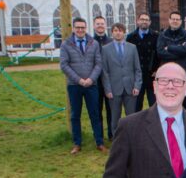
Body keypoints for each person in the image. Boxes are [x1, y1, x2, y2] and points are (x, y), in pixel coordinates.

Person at [60, 17, 106, 155]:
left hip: (91, 85)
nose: (80, 30)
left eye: (82, 27)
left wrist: (91, 79)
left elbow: (99, 63)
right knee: (75, 115)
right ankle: (77, 143)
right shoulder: (66, 44)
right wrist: (79, 80)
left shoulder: (94, 43)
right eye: (77, 27)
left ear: (86, 28)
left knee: (95, 114)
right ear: (73, 29)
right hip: (74, 85)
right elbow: (64, 65)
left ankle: (99, 142)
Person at [101, 22, 142, 135]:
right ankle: (116, 140)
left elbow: (137, 69)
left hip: (130, 88)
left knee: (132, 117)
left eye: (120, 31)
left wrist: (137, 86)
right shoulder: (105, 49)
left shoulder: (132, 48)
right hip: (114, 90)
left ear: (124, 32)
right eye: (115, 30)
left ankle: (132, 139)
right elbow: (105, 72)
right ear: (112, 32)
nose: (118, 33)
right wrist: (108, 89)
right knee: (115, 117)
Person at [156, 11, 186, 110]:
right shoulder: (163, 35)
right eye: (173, 19)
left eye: (177, 19)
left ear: (181, 21)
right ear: (169, 20)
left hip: (183, 73)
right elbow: (160, 52)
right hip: (166, 74)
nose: (175, 21)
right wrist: (179, 49)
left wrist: (169, 48)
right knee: (165, 100)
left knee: (184, 101)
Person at [127, 12, 158, 110]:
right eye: (142, 19)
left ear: (150, 22)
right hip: (137, 76)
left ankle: (155, 124)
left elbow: (159, 55)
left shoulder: (156, 36)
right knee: (136, 105)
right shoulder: (130, 37)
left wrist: (157, 69)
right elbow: (128, 56)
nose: (144, 21)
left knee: (154, 105)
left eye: (146, 20)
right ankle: (137, 125)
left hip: (152, 75)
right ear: (137, 21)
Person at [92, 16, 114, 140]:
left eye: (102, 23)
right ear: (94, 25)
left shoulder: (111, 41)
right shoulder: (90, 41)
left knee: (111, 110)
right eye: (97, 24)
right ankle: (99, 136)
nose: (100, 26)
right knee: (97, 110)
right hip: (95, 82)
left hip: (110, 81)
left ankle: (112, 134)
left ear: (105, 25)